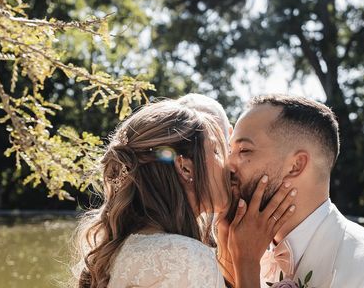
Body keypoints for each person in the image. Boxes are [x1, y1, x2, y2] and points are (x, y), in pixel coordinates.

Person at [73, 99, 297, 288]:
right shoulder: (185, 256)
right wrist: (247, 261)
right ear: (185, 168)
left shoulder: (126, 248)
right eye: (217, 151)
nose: (229, 165)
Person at [220, 94, 364, 288]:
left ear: (296, 166)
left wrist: (246, 262)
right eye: (230, 151)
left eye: (244, 150)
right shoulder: (249, 252)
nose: (228, 164)